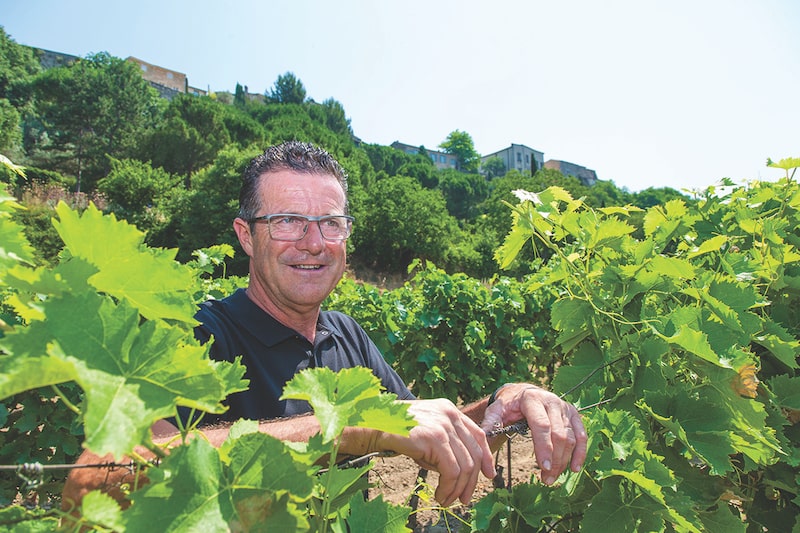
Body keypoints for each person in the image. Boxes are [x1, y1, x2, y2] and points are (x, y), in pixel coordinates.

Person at [63, 141, 586, 509]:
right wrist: (348, 425)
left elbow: (423, 439)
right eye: (287, 220)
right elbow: (91, 480)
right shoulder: (198, 333)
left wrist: (501, 403)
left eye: (330, 223)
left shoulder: (347, 335)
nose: (313, 242)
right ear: (246, 236)